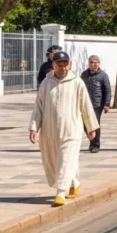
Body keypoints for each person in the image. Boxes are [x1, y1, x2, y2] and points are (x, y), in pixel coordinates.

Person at [29, 51, 99, 206]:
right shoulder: (46, 83)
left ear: (69, 64)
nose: (62, 68)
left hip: (71, 129)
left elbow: (85, 105)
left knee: (66, 158)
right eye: (59, 65)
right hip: (50, 131)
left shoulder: (77, 82)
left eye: (65, 64)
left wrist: (90, 127)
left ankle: (61, 192)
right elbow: (38, 107)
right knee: (55, 160)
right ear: (53, 65)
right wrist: (34, 127)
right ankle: (74, 181)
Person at [81, 55, 110, 153]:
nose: (94, 64)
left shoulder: (103, 76)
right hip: (85, 104)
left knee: (95, 124)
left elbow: (107, 91)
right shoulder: (84, 75)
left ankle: (95, 144)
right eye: (91, 62)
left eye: (96, 62)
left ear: (99, 63)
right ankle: (91, 141)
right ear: (89, 63)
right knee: (86, 124)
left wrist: (106, 104)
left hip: (97, 104)